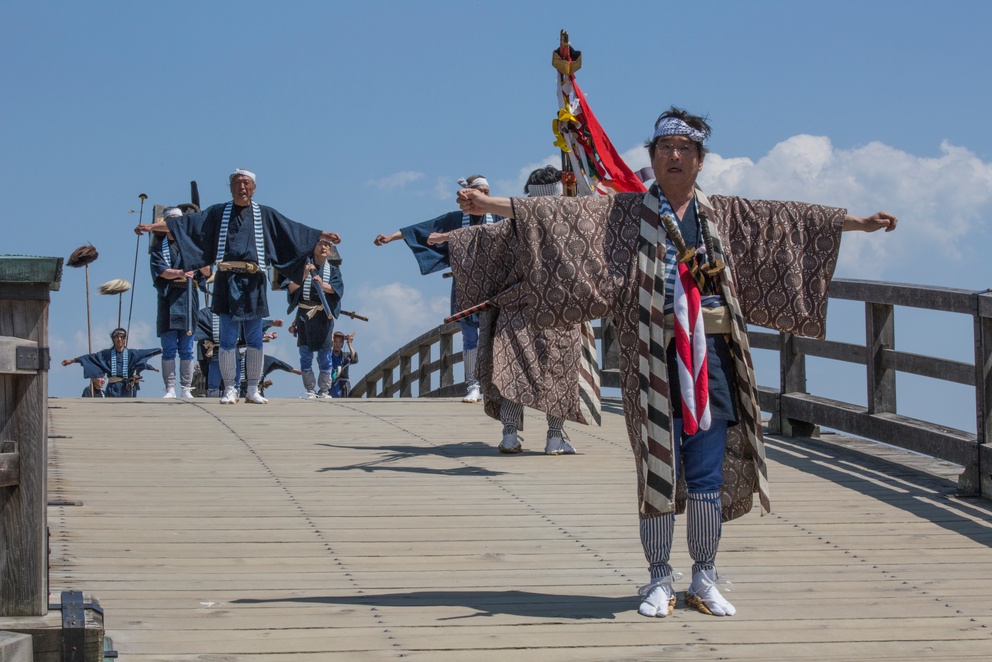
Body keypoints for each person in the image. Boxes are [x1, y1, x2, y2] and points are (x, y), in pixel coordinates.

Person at [451, 107, 897, 618]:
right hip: (653, 359)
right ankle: (659, 578)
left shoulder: (726, 215)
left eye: (685, 149)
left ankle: (703, 578)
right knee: (659, 470)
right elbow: (555, 217)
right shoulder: (623, 213)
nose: (675, 157)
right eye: (665, 149)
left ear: (701, 161)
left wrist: (858, 223)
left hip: (714, 359)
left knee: (706, 473)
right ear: (653, 158)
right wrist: (489, 203)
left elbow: (792, 220)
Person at [135, 168, 341, 405]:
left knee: (254, 336)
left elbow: (292, 229)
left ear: (253, 188)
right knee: (227, 337)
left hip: (254, 280)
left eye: (246, 183)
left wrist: (322, 234)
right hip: (226, 277)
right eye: (237, 183)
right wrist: (152, 228)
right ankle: (230, 388)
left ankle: (253, 388)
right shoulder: (218, 212)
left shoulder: (265, 214)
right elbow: (185, 225)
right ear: (231, 187)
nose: (242, 187)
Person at [441, 166, 585, 455]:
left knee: (513, 373)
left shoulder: (512, 224)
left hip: (515, 309)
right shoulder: (571, 221)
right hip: (559, 309)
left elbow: (477, 238)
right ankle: (554, 438)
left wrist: (446, 239)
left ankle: (509, 435)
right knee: (558, 373)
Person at [374, 175, 502, 403]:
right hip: (465, 284)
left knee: (494, 335)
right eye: (480, 190)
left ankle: (495, 383)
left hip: (495, 284)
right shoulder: (455, 218)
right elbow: (421, 229)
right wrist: (390, 237)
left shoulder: (499, 216)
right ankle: (473, 385)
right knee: (470, 336)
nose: (485, 195)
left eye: (487, 191)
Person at [149, 206, 210, 398]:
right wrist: (180, 273)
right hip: (169, 297)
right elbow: (161, 271)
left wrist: (203, 255)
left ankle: (185, 387)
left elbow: (207, 272)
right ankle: (169, 388)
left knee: (187, 346)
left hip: (189, 296)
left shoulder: (192, 246)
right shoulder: (159, 248)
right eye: (171, 221)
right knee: (169, 346)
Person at [284, 238, 343, 398]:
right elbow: (290, 287)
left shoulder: (333, 270)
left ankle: (324, 389)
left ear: (330, 250)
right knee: (305, 353)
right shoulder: (301, 267)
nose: (324, 247)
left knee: (325, 354)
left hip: (324, 315)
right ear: (313, 247)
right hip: (304, 315)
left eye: (327, 245)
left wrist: (323, 284)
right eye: (320, 244)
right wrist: (304, 274)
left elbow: (337, 289)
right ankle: (309, 389)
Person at [62, 328, 161, 397]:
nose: (119, 339)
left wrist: (161, 350)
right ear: (113, 339)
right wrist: (72, 360)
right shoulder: (106, 354)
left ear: (125, 339)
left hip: (127, 388)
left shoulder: (132, 353)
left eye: (122, 337)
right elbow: (91, 358)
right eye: (116, 337)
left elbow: (145, 353)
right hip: (113, 388)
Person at [328, 330, 359, 398]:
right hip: (330, 385)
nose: (337, 344)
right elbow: (320, 359)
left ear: (342, 344)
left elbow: (354, 359)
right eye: (335, 342)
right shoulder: (328, 355)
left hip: (343, 387)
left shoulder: (345, 356)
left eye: (340, 342)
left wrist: (350, 344)